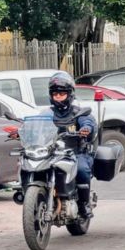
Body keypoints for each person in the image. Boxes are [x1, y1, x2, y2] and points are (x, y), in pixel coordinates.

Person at [47, 71, 98, 218]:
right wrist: (21, 131)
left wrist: (86, 129)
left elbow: (87, 121)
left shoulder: (78, 112)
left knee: (82, 169)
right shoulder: (47, 113)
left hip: (75, 153)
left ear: (69, 95)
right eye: (55, 94)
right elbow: (37, 124)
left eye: (61, 94)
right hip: (53, 153)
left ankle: (84, 205)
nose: (58, 97)